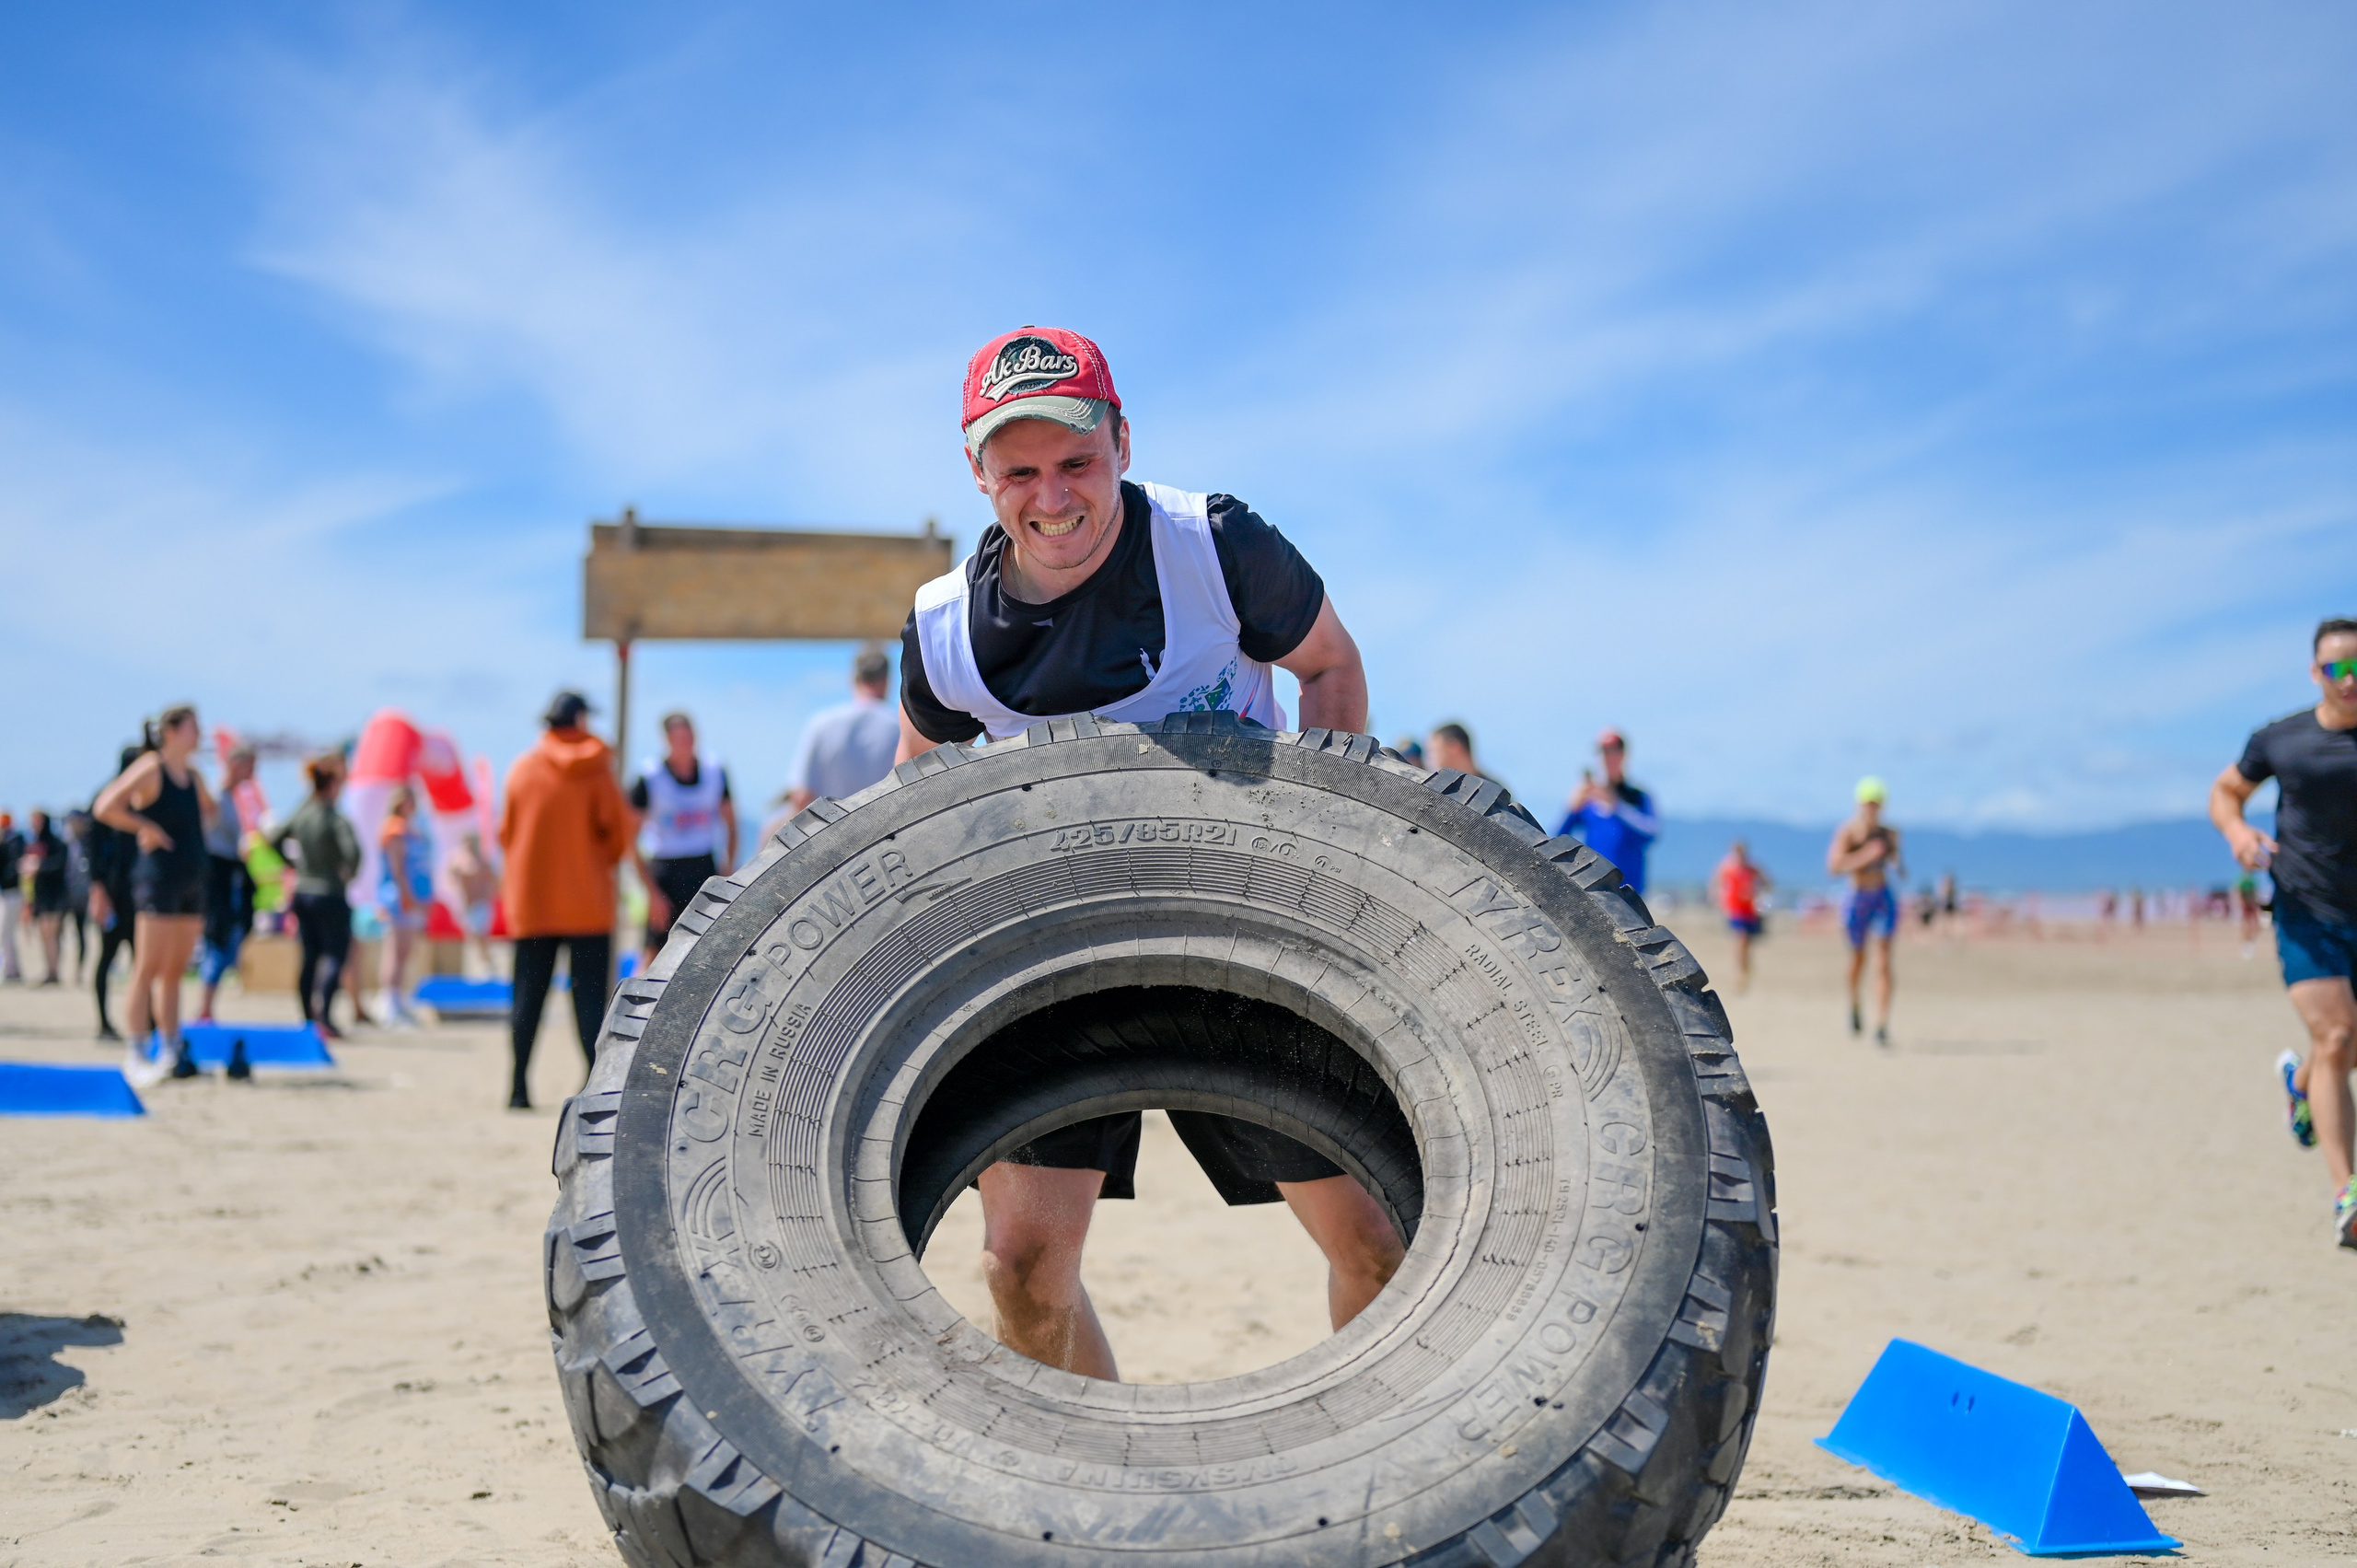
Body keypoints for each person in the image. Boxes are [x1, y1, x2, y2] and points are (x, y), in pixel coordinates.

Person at [896, 325, 1395, 1381]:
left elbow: (1329, 664)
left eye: (1076, 460)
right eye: (1018, 469)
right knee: (1022, 1269)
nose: (1053, 495)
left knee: (1380, 1242)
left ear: (1120, 440)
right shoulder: (944, 627)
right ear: (976, 472)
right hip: (1056, 961)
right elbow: (911, 806)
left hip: (1245, 933)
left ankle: (1384, 1466)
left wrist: (1334, 867)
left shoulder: (1213, 545)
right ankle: (1095, 1493)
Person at [2211, 616, 2357, 1249]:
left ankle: (2300, 1087)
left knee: (2342, 1051)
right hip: (2304, 907)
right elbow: (2225, 792)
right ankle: (2347, 1195)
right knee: (2338, 1034)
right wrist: (2239, 834)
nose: (2350, 680)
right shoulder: (2281, 739)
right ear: (2316, 672)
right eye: (2337, 668)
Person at [500, 690, 632, 1110]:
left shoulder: (522, 769)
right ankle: (593, 1086)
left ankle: (519, 1088)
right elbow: (619, 835)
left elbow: (506, 834)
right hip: (588, 903)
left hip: (532, 902)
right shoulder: (597, 769)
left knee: (526, 997)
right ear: (579, 721)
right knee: (590, 1000)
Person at [92, 706, 218, 1078]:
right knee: (147, 966)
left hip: (191, 877)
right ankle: (135, 1052)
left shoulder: (193, 775)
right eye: (195, 727)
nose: (201, 734)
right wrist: (144, 826)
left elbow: (210, 812)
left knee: (175, 971)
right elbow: (105, 806)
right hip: (157, 879)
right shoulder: (151, 767)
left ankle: (170, 1047)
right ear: (173, 731)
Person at [631, 711, 738, 963]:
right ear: (667, 740)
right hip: (665, 871)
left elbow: (731, 823)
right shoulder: (649, 777)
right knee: (654, 954)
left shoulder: (714, 771)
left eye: (688, 737)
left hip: (704, 866)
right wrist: (652, 893)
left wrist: (728, 870)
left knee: (708, 951)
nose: (684, 744)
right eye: (678, 738)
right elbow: (629, 840)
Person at [271, 754, 363, 1039]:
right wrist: (349, 873)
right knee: (335, 954)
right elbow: (354, 853)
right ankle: (325, 1016)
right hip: (330, 892)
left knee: (309, 955)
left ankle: (307, 1017)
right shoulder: (334, 817)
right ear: (333, 784)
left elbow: (274, 838)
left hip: (302, 891)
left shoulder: (303, 813)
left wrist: (293, 865)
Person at [1829, 775, 1904, 1045]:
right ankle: (1855, 1002)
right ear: (1861, 804)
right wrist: (1866, 855)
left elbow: (1899, 867)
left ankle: (1882, 1023)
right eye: (1869, 804)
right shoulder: (1849, 831)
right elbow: (1834, 866)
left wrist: (1895, 858)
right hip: (1857, 896)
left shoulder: (1889, 833)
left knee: (1883, 961)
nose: (1873, 809)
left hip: (1882, 897)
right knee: (1858, 959)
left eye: (1877, 804)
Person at [784, 647, 901, 819]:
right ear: (887, 681)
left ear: (854, 678)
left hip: (831, 835)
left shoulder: (822, 724)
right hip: (886, 838)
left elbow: (801, 796)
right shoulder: (899, 727)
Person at [193, 747, 256, 1023]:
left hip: (227, 874)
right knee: (217, 939)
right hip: (217, 876)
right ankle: (204, 1007)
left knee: (224, 939)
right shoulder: (218, 797)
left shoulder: (231, 798)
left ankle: (207, 1006)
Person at [1559, 728, 1659, 896]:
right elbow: (1559, 836)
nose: (1608, 758)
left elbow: (1651, 832)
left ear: (1623, 755)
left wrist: (1616, 805)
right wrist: (1571, 807)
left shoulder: (1637, 797)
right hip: (1593, 884)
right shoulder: (1588, 797)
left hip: (1630, 888)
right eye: (1604, 753)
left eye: (1614, 752)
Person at [85, 750, 142, 1040]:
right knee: (108, 956)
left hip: (138, 892)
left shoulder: (142, 798)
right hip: (113, 892)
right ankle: (104, 1023)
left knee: (142, 960)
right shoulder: (107, 797)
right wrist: (98, 890)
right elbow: (92, 850)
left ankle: (148, 1022)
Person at [376, 784, 434, 1026]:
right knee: (395, 951)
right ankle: (387, 1000)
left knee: (406, 952)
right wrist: (407, 895)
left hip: (415, 899)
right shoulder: (395, 829)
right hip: (400, 899)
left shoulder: (414, 828)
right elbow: (397, 868)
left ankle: (399, 999)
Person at [1711, 839, 1771, 992]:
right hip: (1735, 908)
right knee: (1740, 940)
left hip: (1750, 909)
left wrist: (1756, 893)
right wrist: (1719, 898)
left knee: (1747, 944)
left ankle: (1745, 971)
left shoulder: (1752, 867)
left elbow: (1767, 882)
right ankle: (1740, 974)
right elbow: (1716, 883)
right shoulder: (1727, 866)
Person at [22, 810, 69, 985]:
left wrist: (39, 866)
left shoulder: (57, 843)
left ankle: (55, 971)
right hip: (40, 895)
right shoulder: (33, 844)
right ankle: (49, 970)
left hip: (56, 895)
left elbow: (60, 866)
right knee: (44, 935)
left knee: (53, 934)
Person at [448, 831, 500, 979]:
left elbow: (495, 881)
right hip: (467, 906)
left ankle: (488, 965)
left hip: (481, 904)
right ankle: (487, 962)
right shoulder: (459, 861)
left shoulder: (483, 862)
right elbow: (451, 878)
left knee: (479, 935)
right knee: (473, 936)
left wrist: (489, 895)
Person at [61, 811, 93, 984]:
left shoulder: (89, 842)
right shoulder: (65, 844)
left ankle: (79, 971)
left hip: (84, 898)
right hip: (66, 897)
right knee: (61, 933)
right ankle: (58, 970)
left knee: (82, 934)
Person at [1425, 721, 1502, 788]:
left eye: (1433, 751)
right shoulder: (1436, 786)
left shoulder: (1494, 791)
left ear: (1453, 747)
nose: (1428, 758)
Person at [0, 811, 22, 982]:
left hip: (12, 892)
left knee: (4, 932)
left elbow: (11, 869)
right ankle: (11, 969)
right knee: (6, 934)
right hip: (6, 893)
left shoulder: (14, 840)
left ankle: (10, 969)